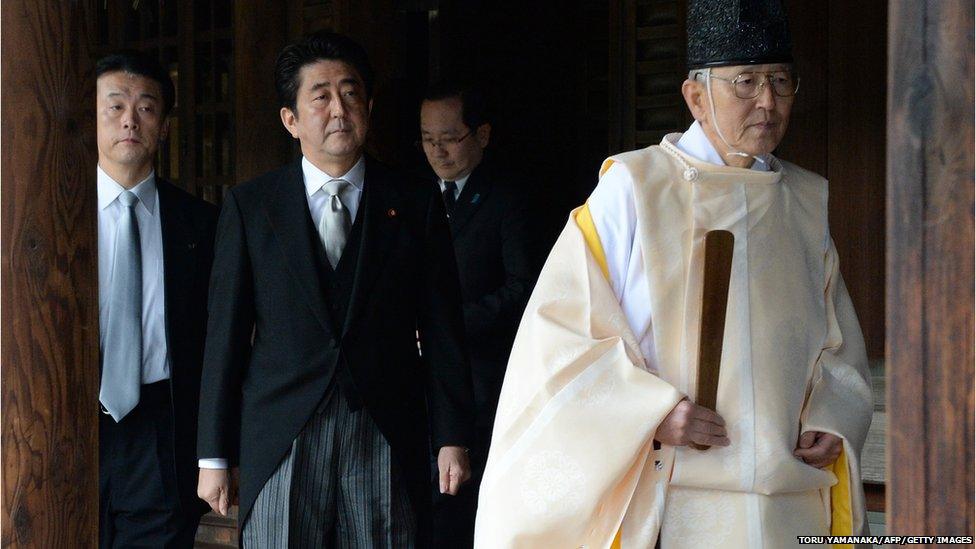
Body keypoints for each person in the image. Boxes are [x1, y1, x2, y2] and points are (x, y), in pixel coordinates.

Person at [474, 1, 873, 547]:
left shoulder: (804, 200)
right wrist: (651, 413)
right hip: (674, 488)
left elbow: (838, 339)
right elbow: (561, 336)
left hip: (789, 496)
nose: (768, 102)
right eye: (747, 82)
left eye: (781, 81)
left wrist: (832, 417)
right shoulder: (634, 188)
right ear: (696, 96)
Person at [196, 31, 475, 547]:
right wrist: (214, 454)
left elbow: (442, 326)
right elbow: (225, 336)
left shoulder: (414, 201)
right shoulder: (252, 206)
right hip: (281, 430)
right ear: (291, 120)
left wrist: (453, 436)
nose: (338, 109)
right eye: (319, 96)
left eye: (350, 93)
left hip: (385, 424)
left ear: (368, 106)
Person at [96, 51, 217, 548]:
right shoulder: (50, 216)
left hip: (160, 428)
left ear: (163, 126)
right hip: (62, 420)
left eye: (146, 107)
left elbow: (219, 340)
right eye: (115, 105)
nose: (130, 119)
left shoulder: (202, 224)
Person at [419, 84, 538, 548]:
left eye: (449, 137)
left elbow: (522, 288)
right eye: (428, 139)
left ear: (481, 135)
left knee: (467, 505)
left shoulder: (508, 198)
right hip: (421, 381)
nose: (438, 150)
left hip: (485, 377)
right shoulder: (416, 196)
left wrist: (445, 329)